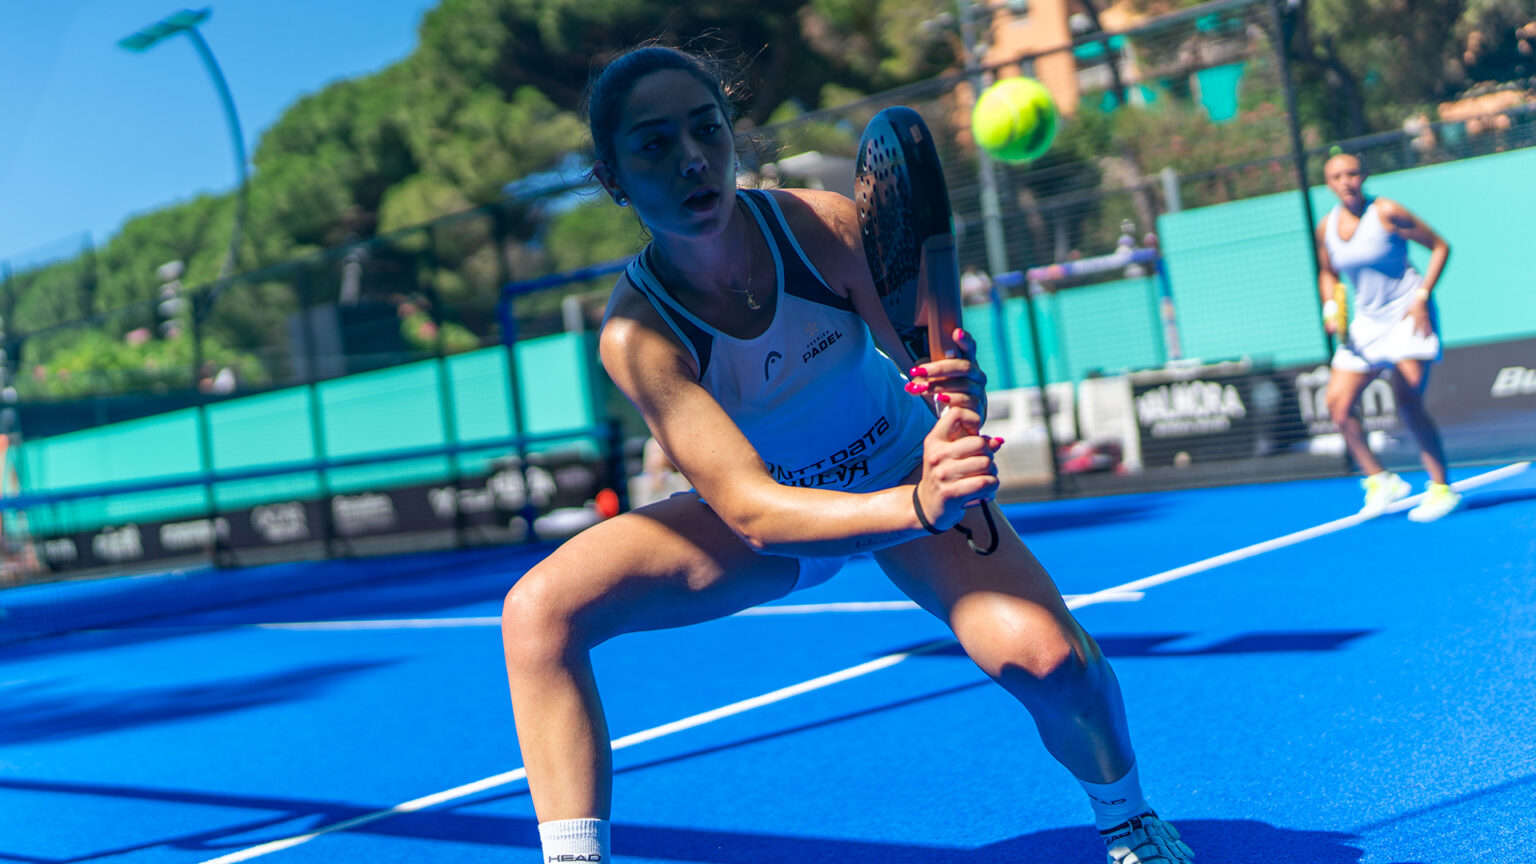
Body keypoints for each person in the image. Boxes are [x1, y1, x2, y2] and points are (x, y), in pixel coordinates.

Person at [500, 43, 1193, 864]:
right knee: (539, 614)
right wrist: (919, 507)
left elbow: (928, 362)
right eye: (654, 144)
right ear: (612, 178)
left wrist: (955, 399)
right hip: (787, 517)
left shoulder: (821, 226)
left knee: (1052, 665)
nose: (691, 159)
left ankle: (1129, 821)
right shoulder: (636, 335)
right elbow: (752, 512)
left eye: (706, 129)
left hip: (900, 464)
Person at [1316, 151, 1458, 521]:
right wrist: (1330, 307)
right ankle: (1380, 481)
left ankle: (1441, 488)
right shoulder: (1326, 227)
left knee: (1408, 401)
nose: (1346, 182)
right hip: (1366, 322)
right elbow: (1328, 272)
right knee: (1337, 406)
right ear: (1328, 184)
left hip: (1408, 314)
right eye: (1337, 177)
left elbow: (1440, 246)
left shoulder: (1387, 212)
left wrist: (1422, 296)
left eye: (1352, 174)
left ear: (1364, 176)